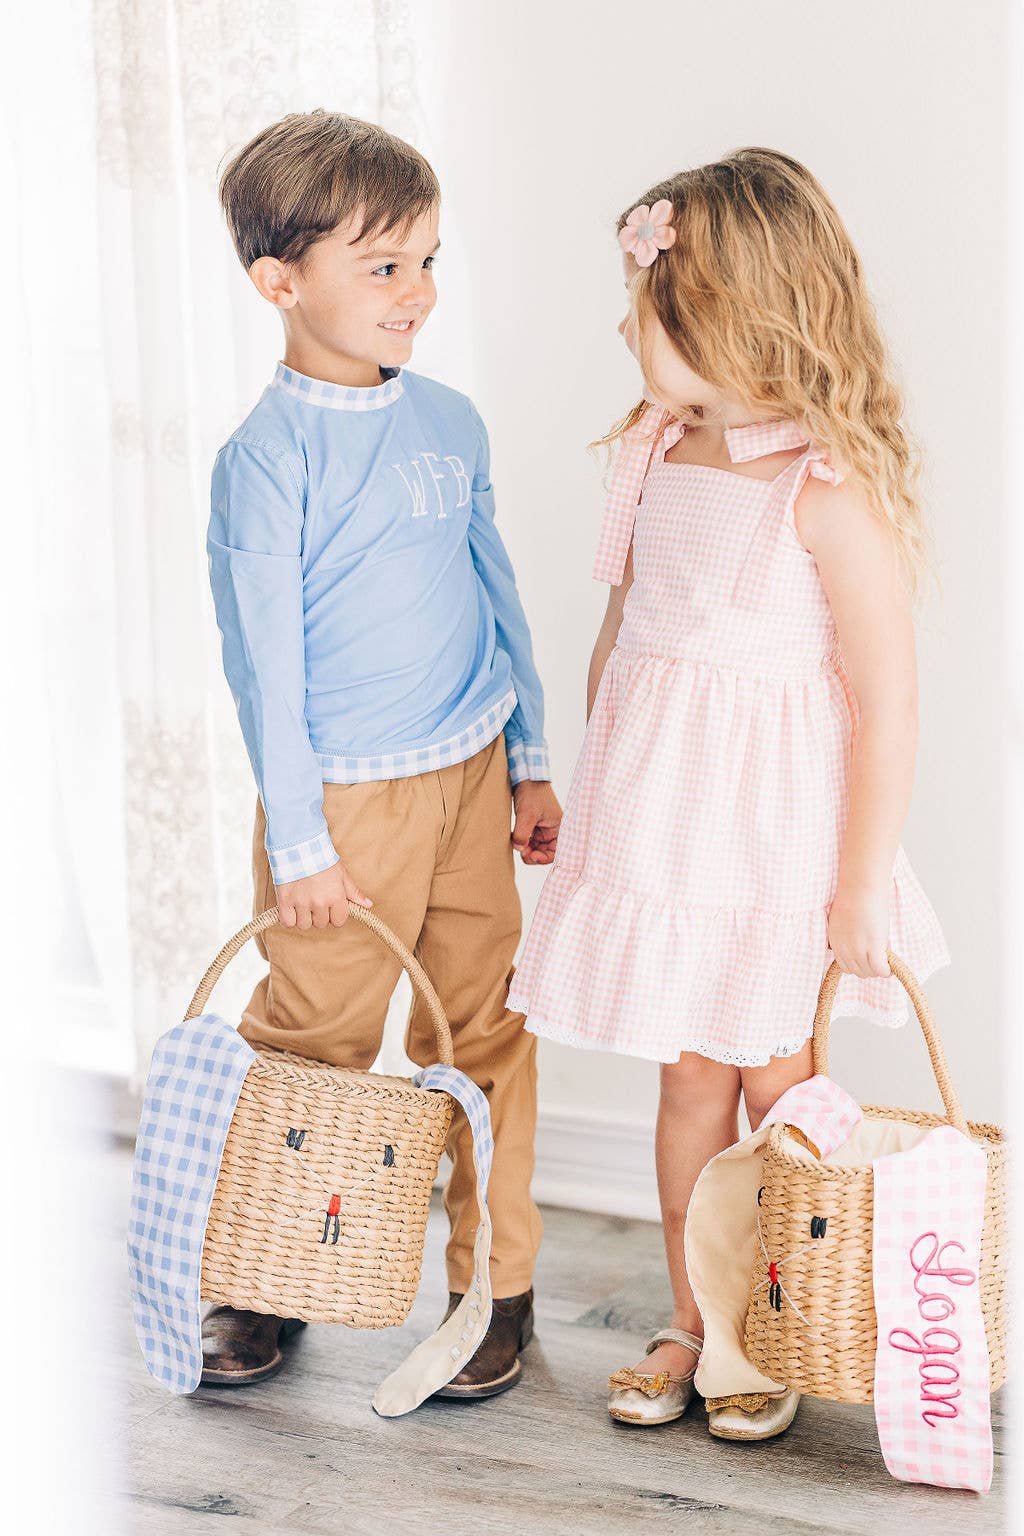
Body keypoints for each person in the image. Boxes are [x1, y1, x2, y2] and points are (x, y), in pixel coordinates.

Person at [508, 148, 948, 1439]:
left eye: (645, 303)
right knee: (688, 1083)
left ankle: (771, 1319)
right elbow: (623, 636)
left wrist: (860, 882)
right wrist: (592, 800)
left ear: (732, 318)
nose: (625, 328)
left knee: (775, 1089)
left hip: (771, 846)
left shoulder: (823, 488)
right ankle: (694, 1317)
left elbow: (887, 702)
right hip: (667, 832)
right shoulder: (656, 453)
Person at [205, 110, 561, 1395]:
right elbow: (264, 667)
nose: (417, 292)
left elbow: (494, 587)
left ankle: (494, 1287)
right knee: (313, 1042)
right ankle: (268, 1275)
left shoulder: (450, 422)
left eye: (427, 261)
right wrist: (301, 841)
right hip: (344, 808)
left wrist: (528, 754)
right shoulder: (266, 460)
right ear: (280, 281)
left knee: (485, 1033)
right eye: (384, 266)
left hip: (470, 772)